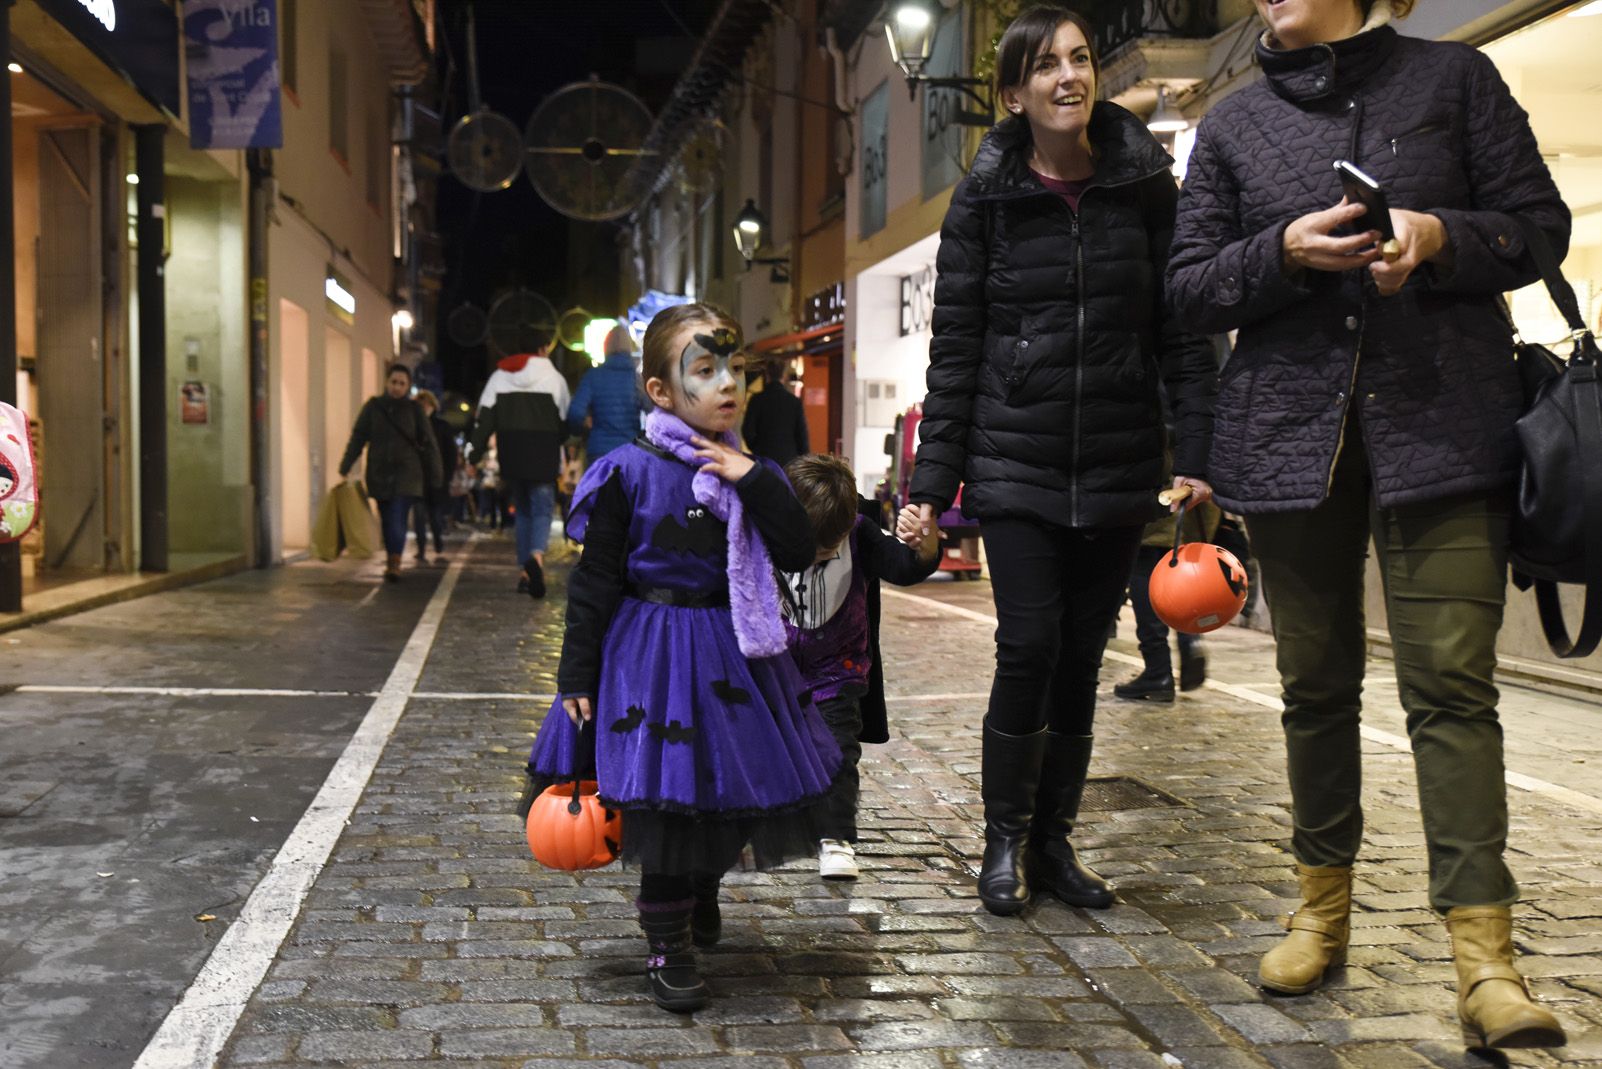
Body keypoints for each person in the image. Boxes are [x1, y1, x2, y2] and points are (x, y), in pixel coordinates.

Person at [1165, 0, 1568, 1049]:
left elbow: (1539, 227)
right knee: (1315, 684)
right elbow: (1187, 289)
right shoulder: (1234, 124)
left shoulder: (1453, 81)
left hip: (1446, 425)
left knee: (1450, 687)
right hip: (1293, 438)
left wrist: (1440, 237)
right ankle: (1321, 912)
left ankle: (1487, 960)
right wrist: (1283, 253)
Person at [908, 5, 1216, 918]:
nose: (1070, 76)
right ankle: (1003, 838)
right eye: (1046, 66)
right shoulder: (986, 197)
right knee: (1028, 643)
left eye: (1081, 59)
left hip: (1120, 464)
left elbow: (1185, 334)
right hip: (1016, 461)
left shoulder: (1146, 184)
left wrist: (1193, 454)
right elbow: (956, 345)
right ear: (1013, 93)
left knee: (1082, 655)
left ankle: (1055, 839)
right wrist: (932, 486)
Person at [521, 302, 840, 1014]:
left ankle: (703, 885)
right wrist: (577, 674)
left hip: (735, 652)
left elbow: (795, 547)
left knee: (725, 795)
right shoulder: (626, 472)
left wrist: (750, 476)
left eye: (737, 369)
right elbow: (596, 581)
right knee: (665, 805)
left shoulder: (751, 470)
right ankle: (667, 942)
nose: (729, 384)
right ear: (662, 391)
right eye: (706, 370)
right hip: (651, 656)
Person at [779, 453, 940, 880]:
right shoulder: (764, 528)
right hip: (774, 668)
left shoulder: (861, 535)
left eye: (824, 550)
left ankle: (836, 839)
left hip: (839, 668)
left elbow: (903, 567)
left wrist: (925, 548)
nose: (813, 558)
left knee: (837, 752)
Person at [467, 334, 571, 598]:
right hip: (544, 453)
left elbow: (484, 422)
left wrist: (473, 454)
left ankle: (525, 573)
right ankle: (535, 559)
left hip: (512, 453)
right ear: (542, 348)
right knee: (542, 509)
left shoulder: (499, 378)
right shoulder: (554, 378)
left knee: (523, 511)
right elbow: (564, 422)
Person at [337, 364, 443, 582]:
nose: (397, 387)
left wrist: (436, 473)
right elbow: (358, 437)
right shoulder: (373, 407)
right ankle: (392, 556)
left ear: (408, 386)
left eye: (402, 383)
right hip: (379, 473)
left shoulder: (414, 410)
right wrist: (346, 464)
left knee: (397, 515)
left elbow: (430, 442)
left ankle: (394, 561)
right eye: (394, 382)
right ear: (387, 383)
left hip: (407, 474)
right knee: (387, 518)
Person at [1113, 497, 1220, 702]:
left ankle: (1157, 670)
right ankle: (1191, 640)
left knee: (1146, 576)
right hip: (1194, 506)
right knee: (1183, 578)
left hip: (1158, 504)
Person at [569, 323, 648, 461]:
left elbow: (575, 413)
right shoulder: (636, 379)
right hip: (629, 451)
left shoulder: (593, 376)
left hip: (599, 452)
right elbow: (654, 412)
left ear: (605, 347)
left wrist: (582, 430)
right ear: (629, 348)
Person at [411, 390, 454, 564]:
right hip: (417, 479)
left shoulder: (442, 426)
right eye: (420, 405)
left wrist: (447, 476)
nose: (424, 408)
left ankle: (438, 540)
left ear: (432, 406)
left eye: (426, 405)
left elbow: (450, 454)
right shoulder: (412, 426)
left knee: (435, 515)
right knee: (419, 515)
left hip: (437, 478)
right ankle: (421, 548)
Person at [741, 359, 810, 468]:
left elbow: (748, 431)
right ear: (784, 375)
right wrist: (804, 460)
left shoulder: (757, 400)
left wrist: (757, 448)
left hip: (763, 458)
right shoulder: (794, 402)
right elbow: (802, 435)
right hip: (789, 460)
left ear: (767, 374)